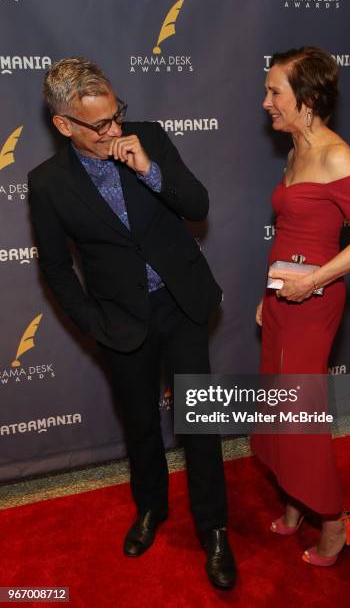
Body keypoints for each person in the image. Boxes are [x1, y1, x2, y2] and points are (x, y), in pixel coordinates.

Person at [28, 57, 236, 589]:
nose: (114, 130)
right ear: (64, 126)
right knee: (140, 424)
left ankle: (214, 528)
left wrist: (150, 169)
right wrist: (93, 322)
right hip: (119, 321)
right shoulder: (48, 183)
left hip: (181, 304)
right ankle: (151, 510)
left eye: (116, 114)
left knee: (201, 422)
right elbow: (54, 266)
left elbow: (198, 203)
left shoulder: (150, 138)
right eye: (98, 125)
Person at [251, 47, 350, 567]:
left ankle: (335, 521)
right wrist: (267, 296)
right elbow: (288, 234)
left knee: (300, 414)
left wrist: (316, 283)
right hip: (282, 299)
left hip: (316, 301)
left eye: (274, 92)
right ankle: (294, 501)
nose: (265, 102)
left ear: (306, 99)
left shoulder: (335, 154)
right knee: (276, 407)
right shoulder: (293, 151)